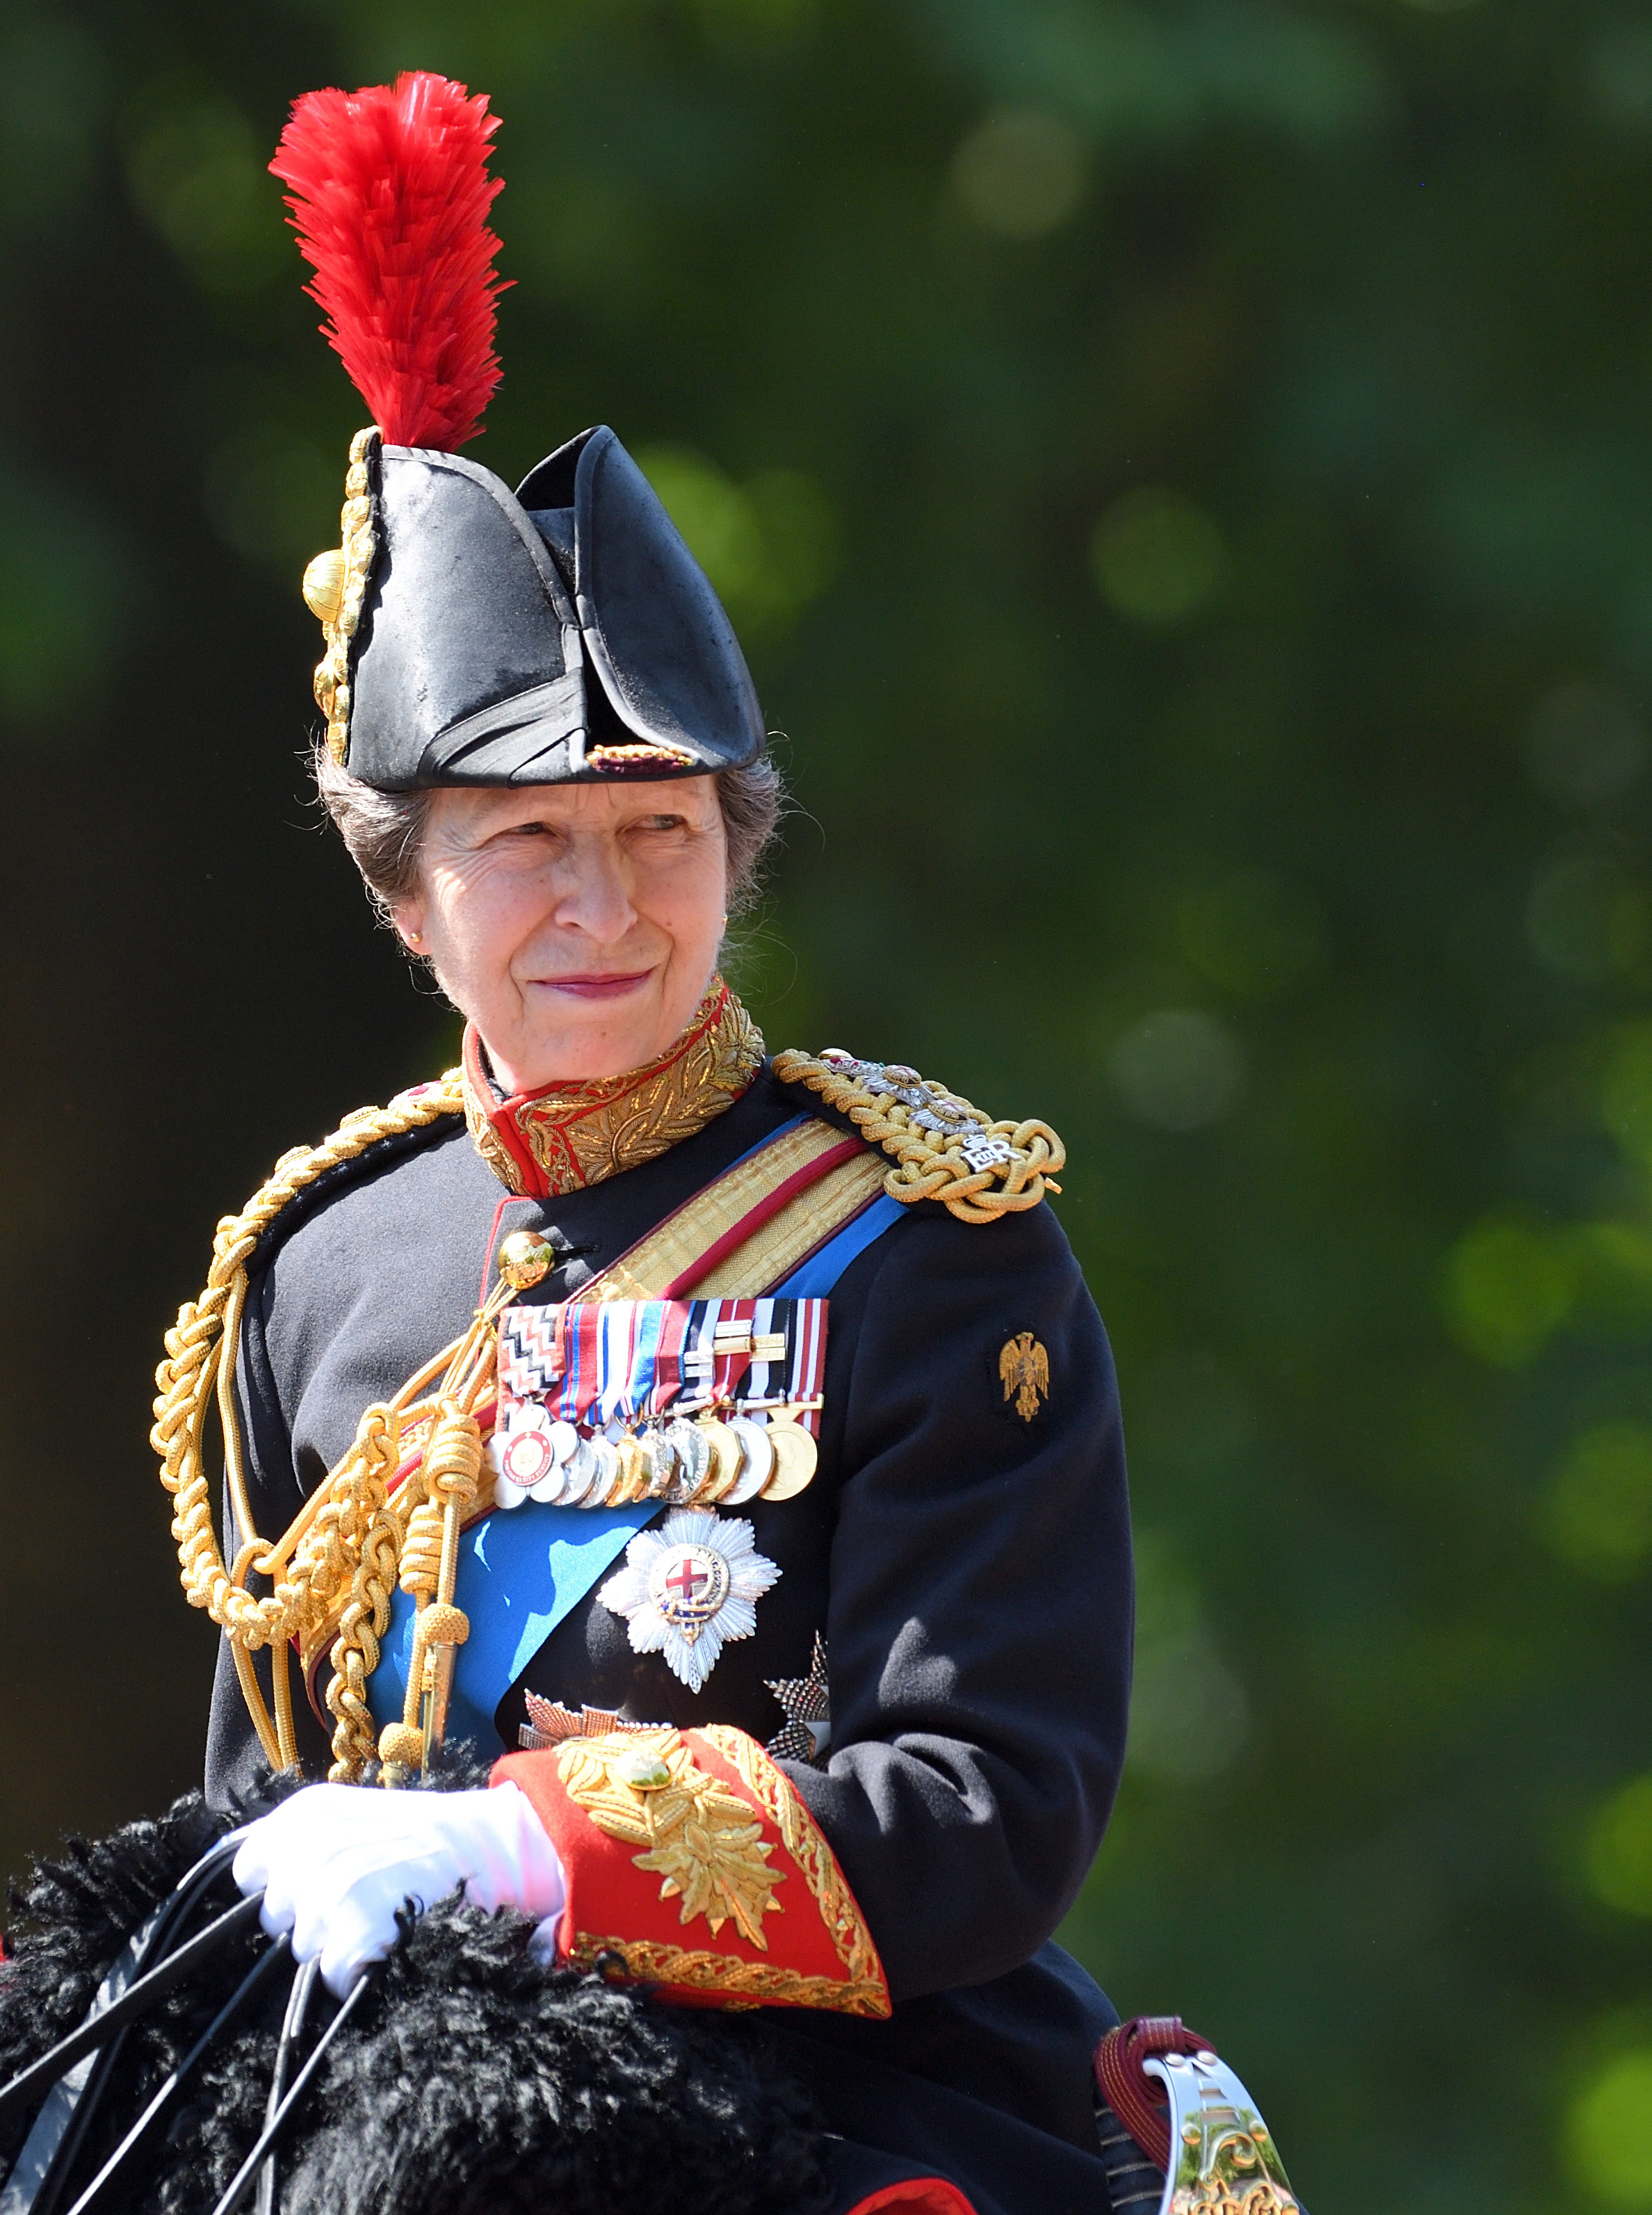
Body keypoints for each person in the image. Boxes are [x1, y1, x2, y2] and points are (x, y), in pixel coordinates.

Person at [156, 76, 1131, 2214]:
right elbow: (268, 1805)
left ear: (734, 851)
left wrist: (534, 1852)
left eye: (658, 833)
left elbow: (990, 1799)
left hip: (836, 2109)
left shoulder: (921, 1243)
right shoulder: (324, 1263)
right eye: (525, 847)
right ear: (408, 895)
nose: (606, 907)